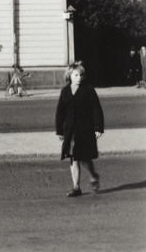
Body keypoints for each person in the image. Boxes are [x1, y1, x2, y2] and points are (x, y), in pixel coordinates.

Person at [55, 61, 104, 197]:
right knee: (73, 157)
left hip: (85, 129)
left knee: (84, 157)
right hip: (70, 130)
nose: (79, 78)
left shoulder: (88, 90)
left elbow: (96, 110)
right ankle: (76, 187)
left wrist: (98, 127)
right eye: (76, 75)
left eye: (81, 75)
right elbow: (60, 112)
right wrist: (59, 130)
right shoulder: (65, 92)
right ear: (70, 75)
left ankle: (93, 175)